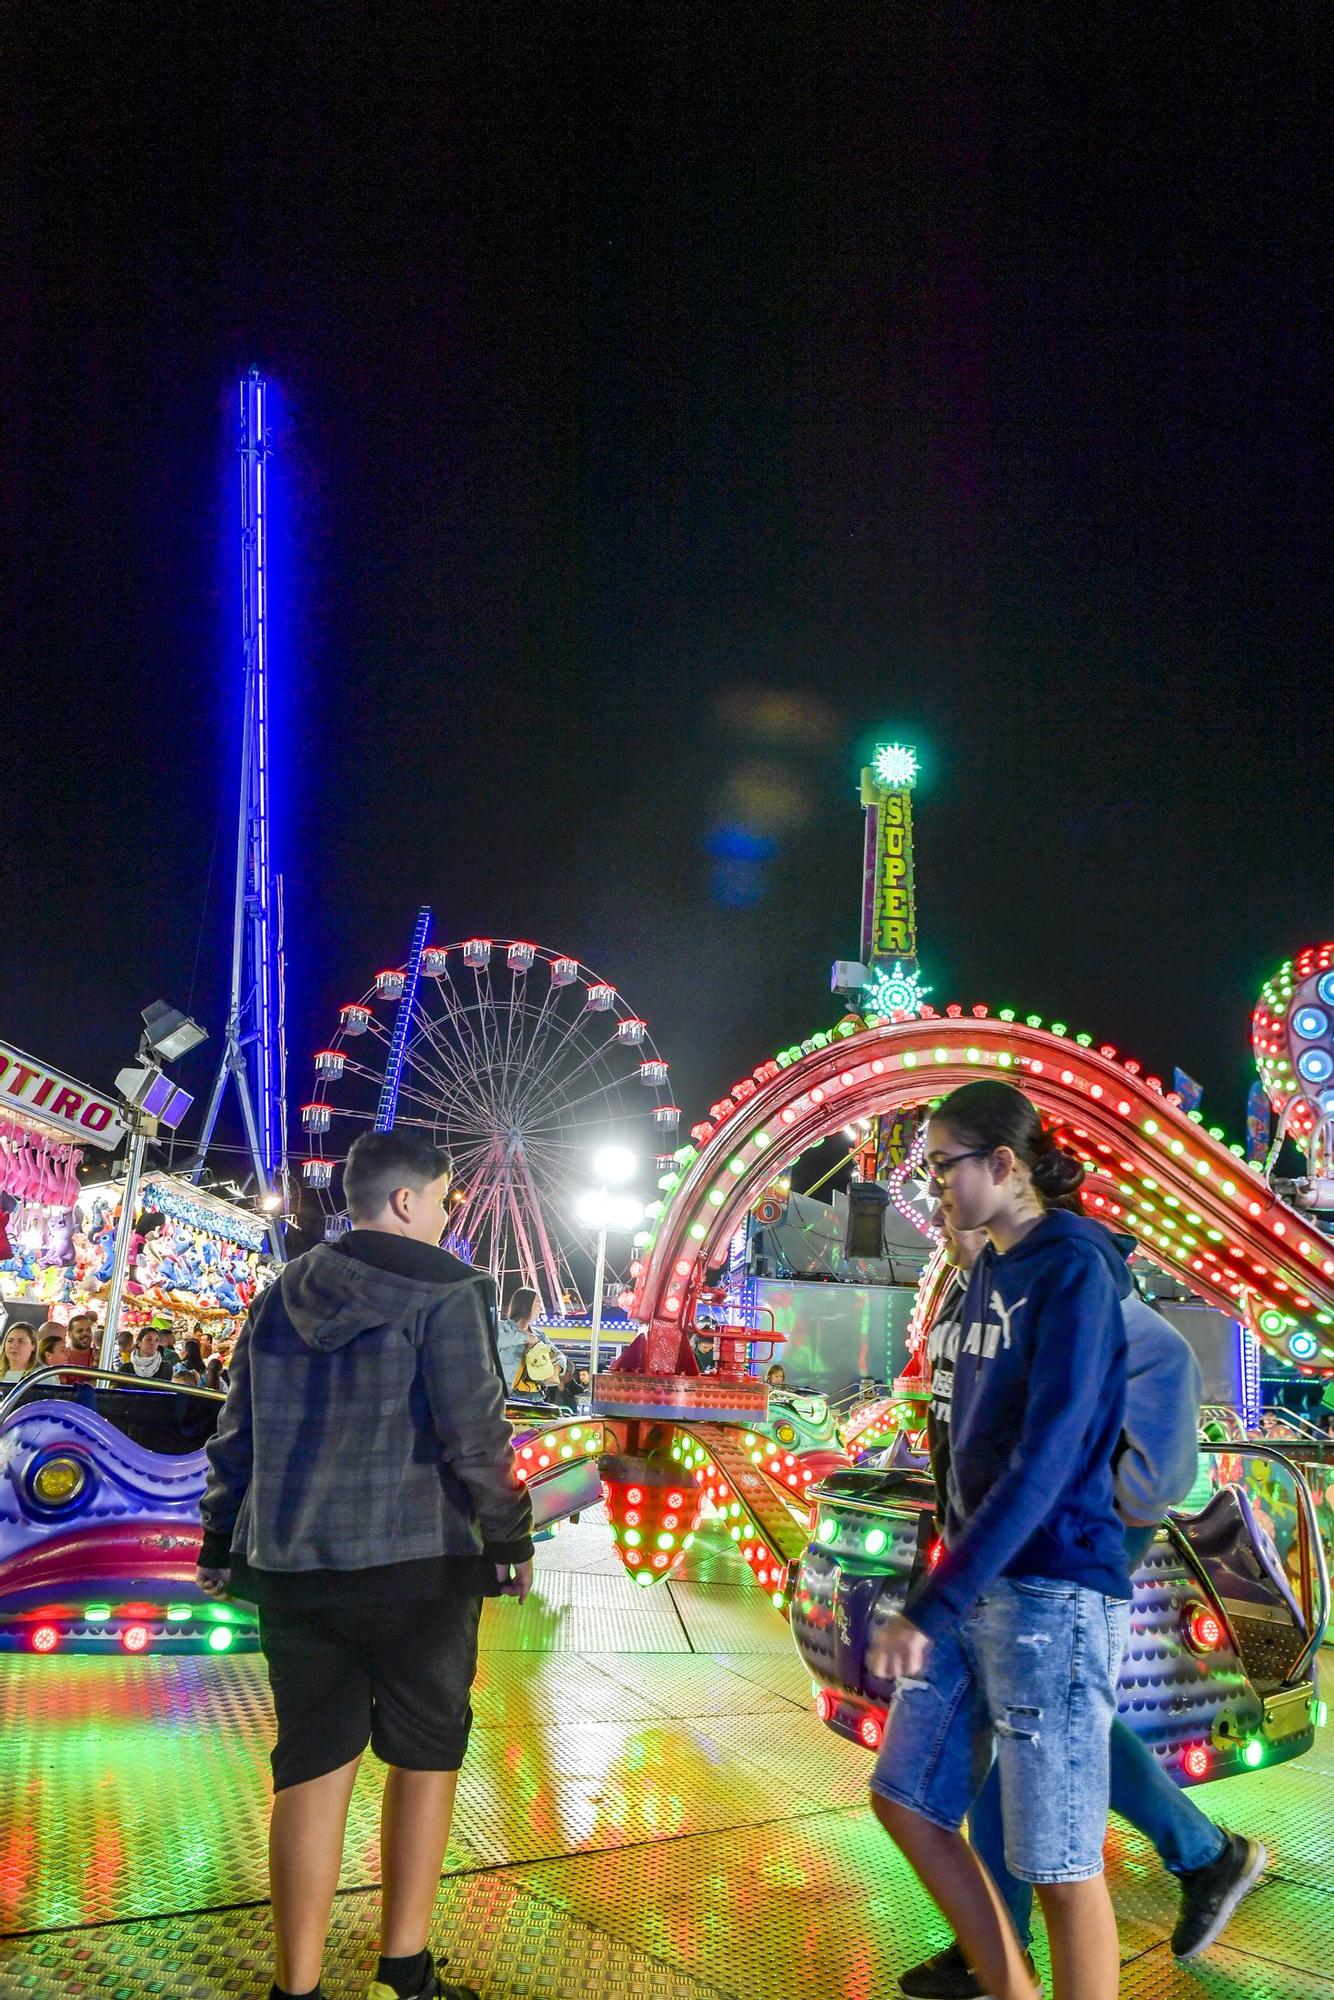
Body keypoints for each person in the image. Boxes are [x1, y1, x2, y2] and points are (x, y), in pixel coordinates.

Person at [197, 1128, 532, 2000]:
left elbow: (237, 1438)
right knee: (424, 1758)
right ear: (406, 1201)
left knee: (309, 1764)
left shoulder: (279, 1294)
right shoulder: (452, 1291)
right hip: (418, 1570)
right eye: (447, 1196)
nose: (452, 1211)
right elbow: (476, 1435)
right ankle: (402, 1973)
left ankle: (295, 1987)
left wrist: (216, 1537)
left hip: (295, 1570)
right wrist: (510, 1534)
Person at [902, 1212, 1266, 1997]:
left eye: (953, 1169)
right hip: (1010, 1534)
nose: (943, 1196)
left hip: (1067, 1536)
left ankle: (1198, 1853)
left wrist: (1095, 1504)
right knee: (1024, 1726)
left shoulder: (1082, 1288)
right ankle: (999, 1936)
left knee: (1043, 1722)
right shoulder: (978, 1289)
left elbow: (1160, 1417)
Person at [866, 1080, 1132, 2000]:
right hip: (977, 1584)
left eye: (945, 1166)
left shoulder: (1075, 1270)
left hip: (1053, 1588)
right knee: (905, 1795)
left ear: (1004, 1164)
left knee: (1059, 1860)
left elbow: (1048, 1455)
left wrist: (932, 1601)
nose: (936, 1185)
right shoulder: (990, 1270)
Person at [495, 1288, 538, 1391]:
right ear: (526, 1305)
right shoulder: (501, 1328)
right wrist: (526, 1338)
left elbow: (558, 1355)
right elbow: (496, 1341)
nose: (540, 1307)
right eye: (538, 1302)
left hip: (533, 1397)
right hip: (504, 1394)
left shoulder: (539, 1335)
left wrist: (559, 1366)